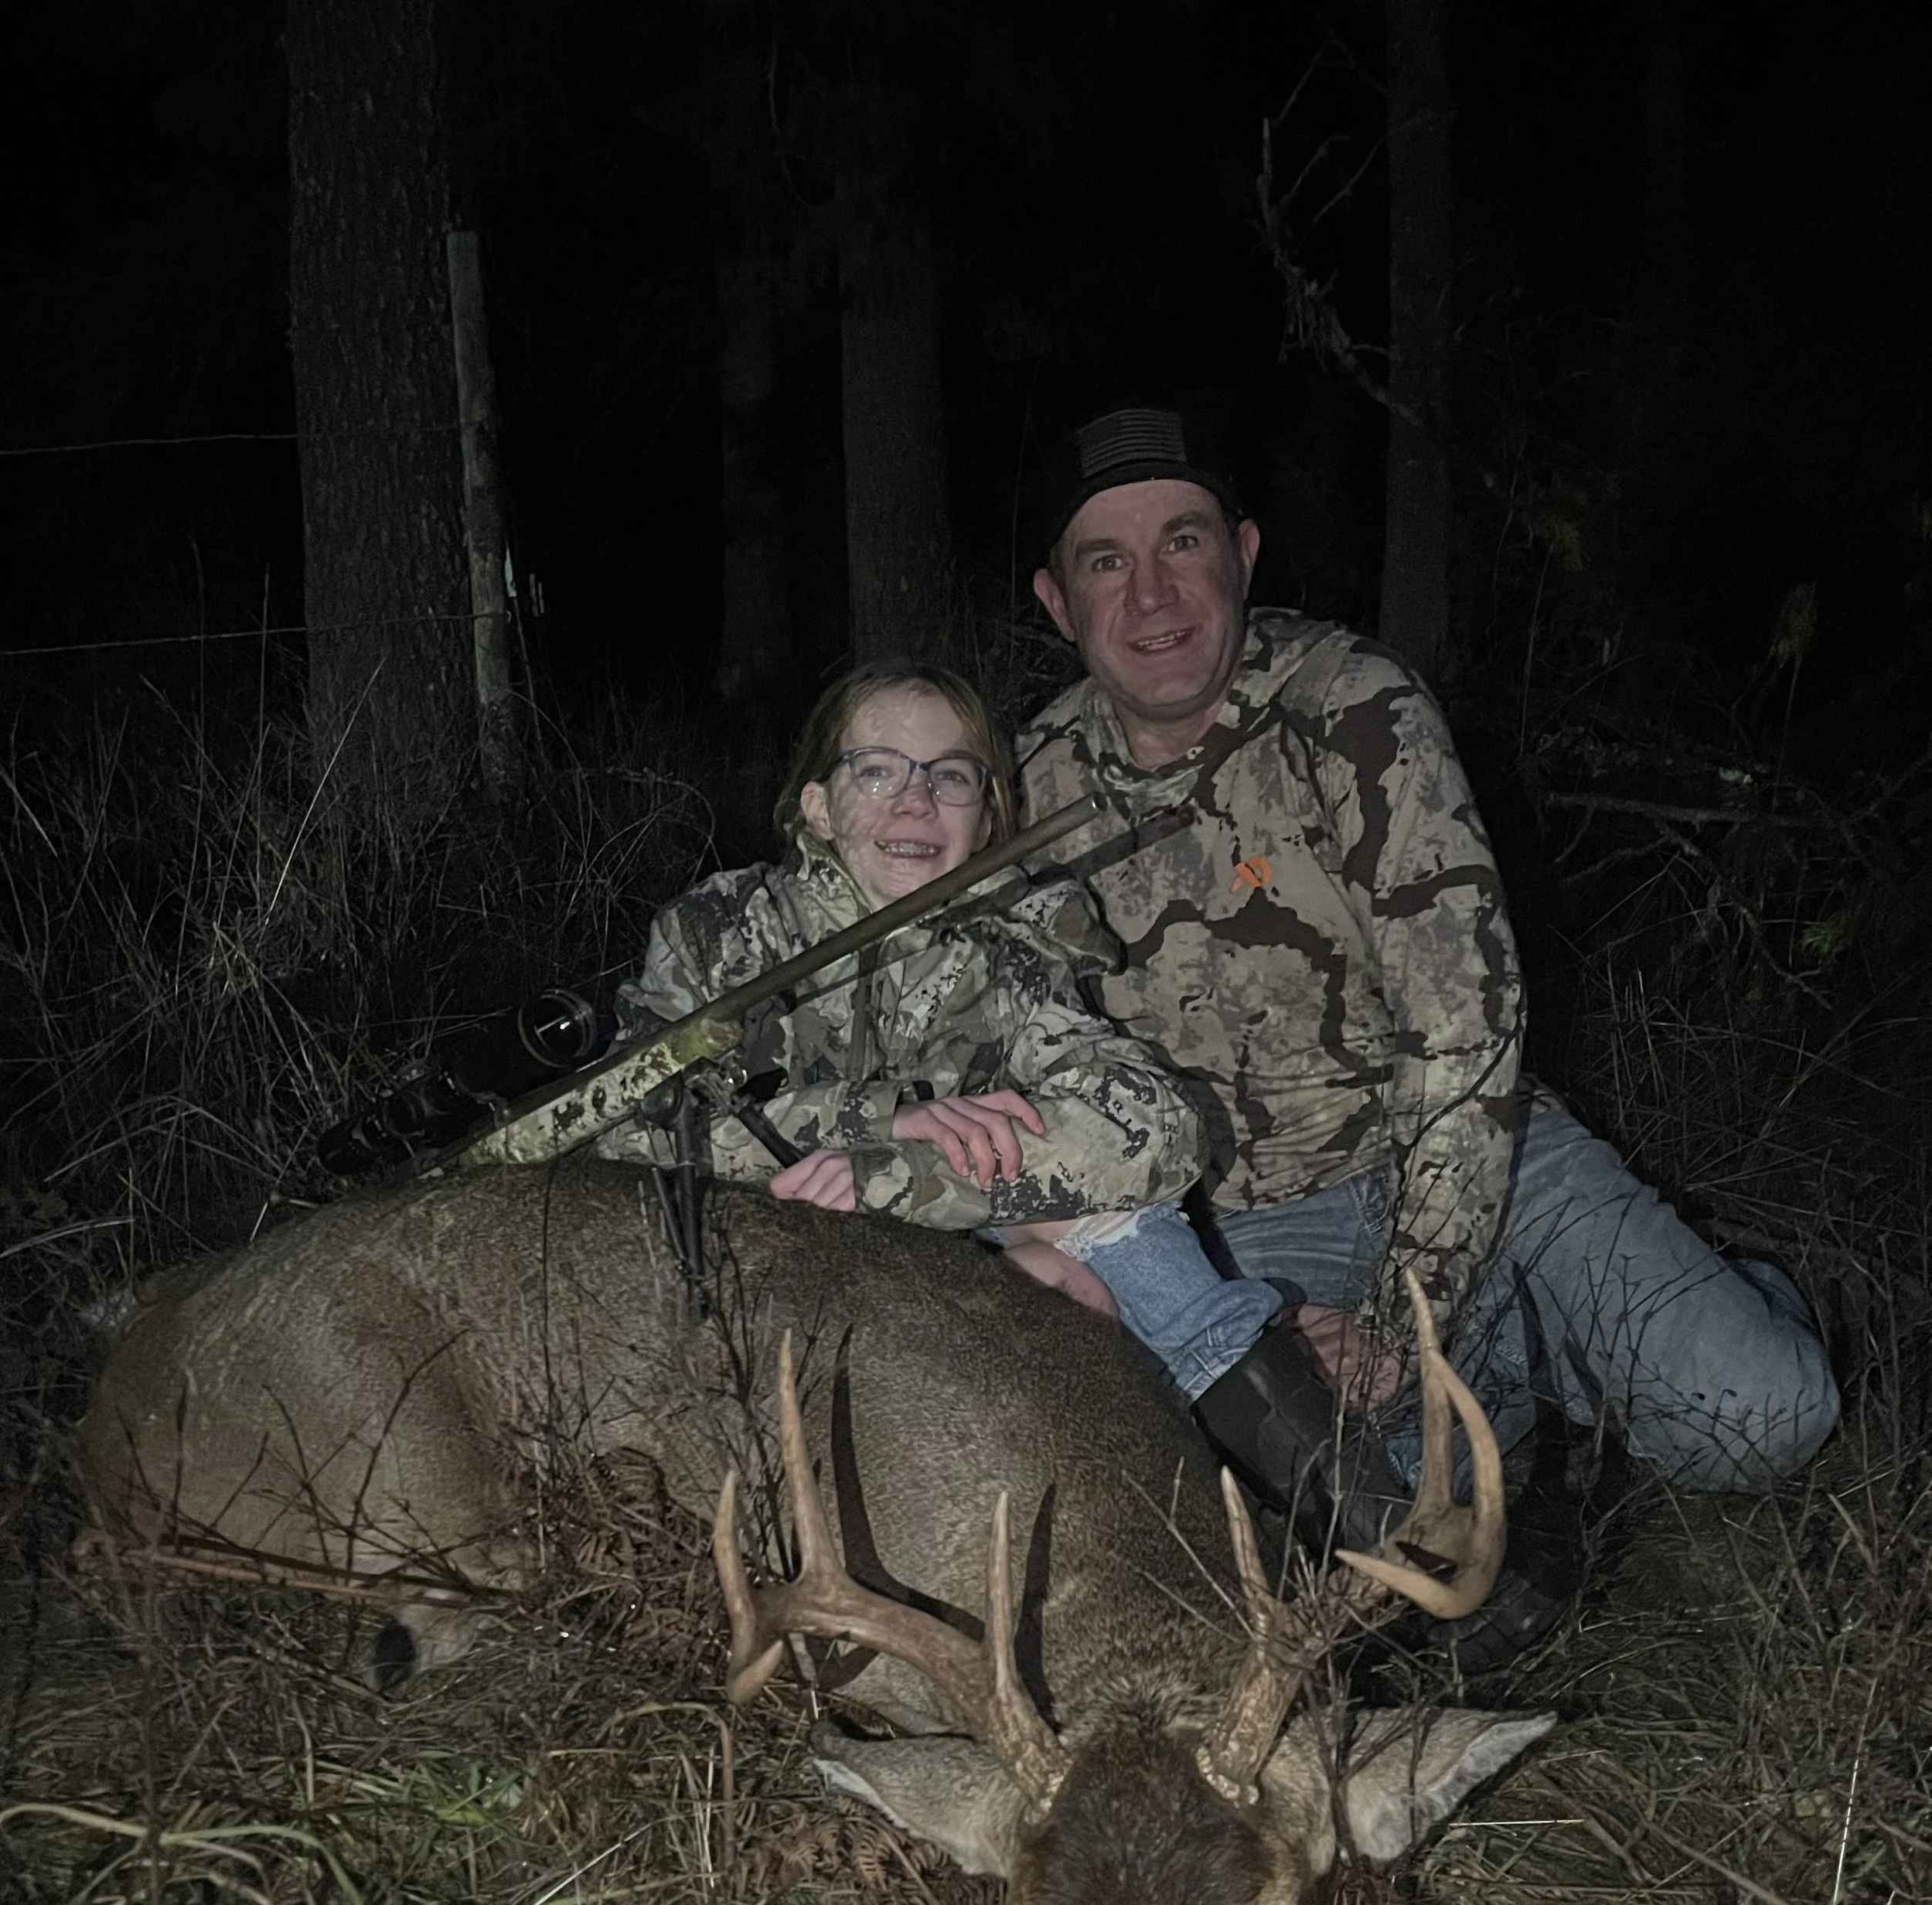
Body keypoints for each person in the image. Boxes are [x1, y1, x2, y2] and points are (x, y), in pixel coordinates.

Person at [1012, 402, 1840, 1658]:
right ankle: (1505, 1388)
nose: (1155, 594)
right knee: (1373, 1572)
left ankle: (1696, 1305)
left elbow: (1468, 1040)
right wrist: (1234, 1320)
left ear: (1242, 550)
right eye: (1105, 561)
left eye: (1183, 542)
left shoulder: (1351, 705)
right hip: (1246, 1238)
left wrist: (1405, 1319)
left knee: (1766, 1413)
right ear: (1056, 602)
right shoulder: (1019, 792)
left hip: (1475, 1152)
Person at [604, 659, 1201, 1306]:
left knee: (1115, 1243)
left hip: (930, 1260)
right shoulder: (721, 931)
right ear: (820, 808)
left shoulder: (1010, 947)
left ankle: (1249, 1390)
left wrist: (893, 1176)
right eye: (878, 772)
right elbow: (624, 1131)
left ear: (986, 817)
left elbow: (1156, 1124)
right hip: (749, 1255)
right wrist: (881, 1118)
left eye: (949, 776)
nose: (916, 802)